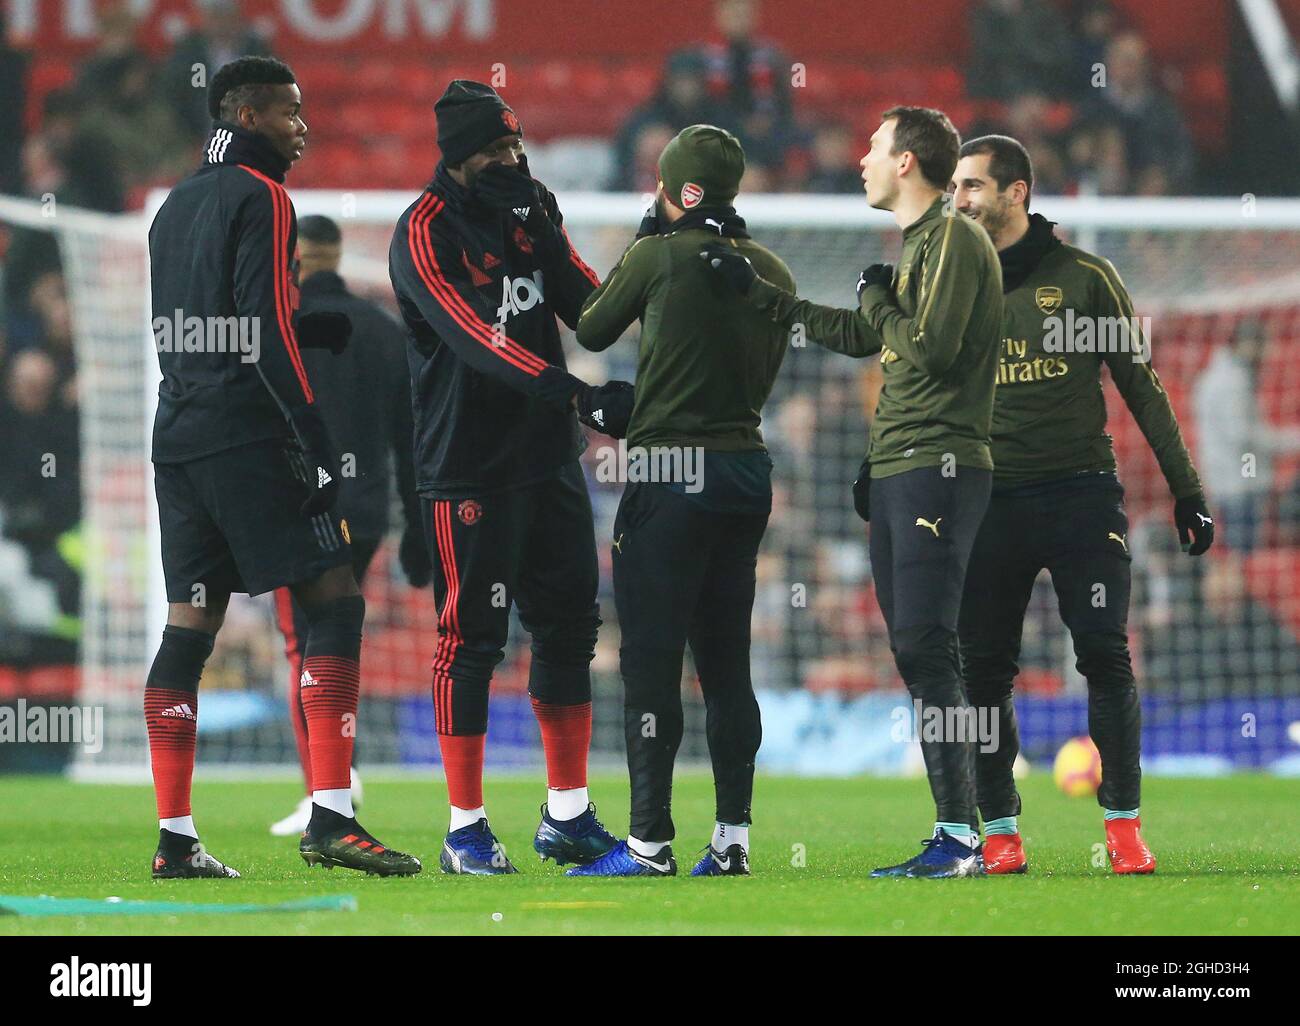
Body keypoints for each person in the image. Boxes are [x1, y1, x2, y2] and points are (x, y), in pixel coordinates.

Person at [705, 107, 1003, 878]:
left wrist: (876, 297)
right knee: (917, 647)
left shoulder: (956, 238)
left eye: (874, 146)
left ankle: (964, 835)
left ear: (907, 161)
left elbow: (928, 348)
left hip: (938, 460)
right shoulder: (920, 248)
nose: (863, 158)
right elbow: (867, 334)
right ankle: (962, 831)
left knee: (928, 645)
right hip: (901, 461)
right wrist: (766, 298)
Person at [146, 56, 420, 878]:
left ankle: (176, 838)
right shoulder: (263, 196)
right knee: (334, 598)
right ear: (248, 111)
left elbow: (216, 323)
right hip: (247, 435)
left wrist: (304, 331)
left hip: (179, 435)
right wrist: (310, 438)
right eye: (291, 113)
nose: (303, 127)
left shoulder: (173, 206)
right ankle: (333, 817)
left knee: (188, 628)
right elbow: (259, 325)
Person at [951, 135, 1214, 874]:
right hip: (988, 499)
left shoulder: (1086, 278)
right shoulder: (950, 281)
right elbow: (919, 384)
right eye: (956, 188)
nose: (960, 200)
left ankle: (1124, 827)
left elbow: (1142, 385)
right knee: (982, 673)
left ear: (1017, 192)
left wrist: (1187, 488)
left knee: (1104, 653)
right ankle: (1000, 831)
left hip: (1079, 495)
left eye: (973, 186)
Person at [388, 80, 632, 874]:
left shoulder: (532, 207)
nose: (512, 159)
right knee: (471, 642)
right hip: (469, 468)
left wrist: (655, 295)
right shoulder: (422, 233)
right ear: (457, 158)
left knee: (569, 628)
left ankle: (567, 815)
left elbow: (580, 297)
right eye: (495, 150)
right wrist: (582, 396)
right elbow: (476, 339)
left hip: (545, 460)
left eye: (516, 144)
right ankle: (466, 828)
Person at [564, 124, 794, 877]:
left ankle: (648, 845)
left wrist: (640, 244)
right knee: (728, 664)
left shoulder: (657, 256)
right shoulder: (770, 271)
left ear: (674, 189)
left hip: (670, 475)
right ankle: (733, 840)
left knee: (653, 667)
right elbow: (754, 379)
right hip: (743, 473)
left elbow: (593, 326)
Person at [267, 214, 428, 836]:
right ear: (338, 257)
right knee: (336, 637)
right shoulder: (385, 331)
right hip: (365, 514)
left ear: (295, 261)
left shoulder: (281, 329)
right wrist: (417, 529)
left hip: (301, 508)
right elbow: (411, 442)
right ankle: (342, 772)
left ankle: (325, 785)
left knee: (299, 641)